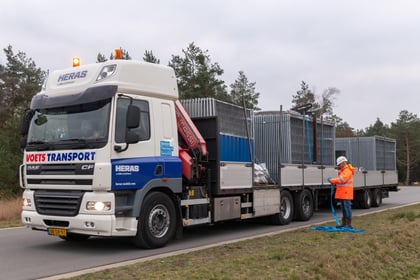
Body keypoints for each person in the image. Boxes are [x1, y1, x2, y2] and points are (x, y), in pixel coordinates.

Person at [328, 156, 355, 228]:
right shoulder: (343, 171)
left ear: (343, 163)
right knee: (343, 209)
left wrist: (332, 180)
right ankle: (344, 223)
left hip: (346, 193)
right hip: (343, 193)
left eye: (339, 164)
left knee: (347, 208)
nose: (338, 166)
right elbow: (340, 180)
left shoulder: (347, 171)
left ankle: (348, 224)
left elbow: (342, 180)